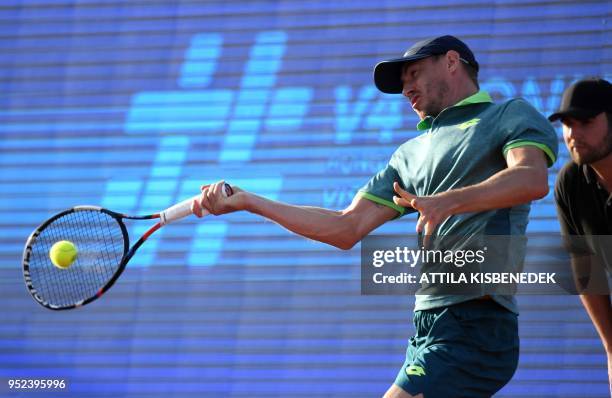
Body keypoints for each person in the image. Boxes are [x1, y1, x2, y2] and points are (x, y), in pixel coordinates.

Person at [192, 35, 558, 397]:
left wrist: (448, 201)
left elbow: (530, 178)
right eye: (403, 83)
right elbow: (345, 227)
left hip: (477, 324)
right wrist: (249, 202)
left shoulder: (508, 114)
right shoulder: (409, 154)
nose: (406, 89)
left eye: (414, 74)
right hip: (426, 326)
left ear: (451, 62)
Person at [549, 78, 612, 392]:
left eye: (586, 122)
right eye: (567, 124)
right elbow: (585, 268)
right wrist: (611, 347)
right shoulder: (570, 182)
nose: (573, 134)